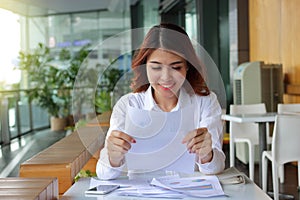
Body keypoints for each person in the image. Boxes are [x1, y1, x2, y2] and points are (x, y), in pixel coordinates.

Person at [96, 23, 225, 180]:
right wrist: (113, 158)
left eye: (176, 67)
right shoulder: (129, 105)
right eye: (156, 68)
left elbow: (216, 167)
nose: (166, 78)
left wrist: (207, 155)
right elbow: (103, 173)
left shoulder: (205, 102)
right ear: (145, 67)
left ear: (187, 67)